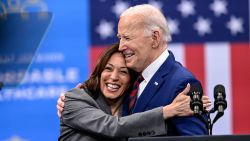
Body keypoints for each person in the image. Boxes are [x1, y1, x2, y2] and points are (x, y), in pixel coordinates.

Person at [58, 4, 211, 137]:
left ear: (155, 38)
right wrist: (77, 100)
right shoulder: (134, 82)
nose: (121, 46)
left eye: (127, 38)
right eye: (120, 38)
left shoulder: (182, 83)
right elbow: (113, 124)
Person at [59, 44, 204, 141]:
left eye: (123, 72)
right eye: (108, 69)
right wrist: (168, 111)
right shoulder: (73, 99)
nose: (114, 77)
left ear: (131, 80)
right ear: (98, 72)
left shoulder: (131, 107)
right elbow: (112, 127)